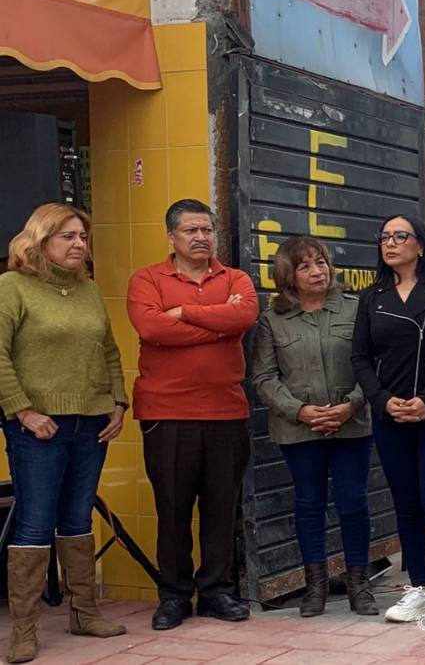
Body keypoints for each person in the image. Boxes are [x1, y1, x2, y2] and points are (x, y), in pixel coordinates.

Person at [0, 204, 128, 663]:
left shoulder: (89, 291)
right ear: (40, 241)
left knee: (77, 518)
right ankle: (24, 631)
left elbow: (110, 351)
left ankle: (85, 613)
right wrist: (22, 411)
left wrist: (118, 402)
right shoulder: (12, 287)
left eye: (82, 236)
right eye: (68, 237)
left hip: (92, 423)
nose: (79, 244)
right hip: (37, 427)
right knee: (35, 522)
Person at [127, 199, 258, 630]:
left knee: (222, 508)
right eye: (190, 231)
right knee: (173, 508)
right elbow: (151, 328)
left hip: (226, 411)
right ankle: (174, 595)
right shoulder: (147, 279)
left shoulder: (236, 278)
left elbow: (245, 315)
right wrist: (217, 324)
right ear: (171, 237)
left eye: (206, 230)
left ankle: (217, 591)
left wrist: (184, 313)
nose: (200, 237)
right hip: (167, 412)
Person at [350, 214, 425, 629]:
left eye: (400, 236)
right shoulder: (372, 298)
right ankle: (420, 590)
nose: (391, 242)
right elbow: (360, 358)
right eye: (384, 236)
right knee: (405, 503)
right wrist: (383, 402)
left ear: (420, 245)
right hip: (391, 416)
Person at [250, 236, 376, 618]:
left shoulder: (356, 310)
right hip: (298, 429)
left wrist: (350, 404)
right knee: (308, 504)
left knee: (353, 502)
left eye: (320, 262)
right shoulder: (272, 320)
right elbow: (264, 377)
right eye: (305, 266)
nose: (318, 271)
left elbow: (374, 365)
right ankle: (315, 587)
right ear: (288, 276)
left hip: (351, 424)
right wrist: (301, 411)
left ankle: (359, 585)